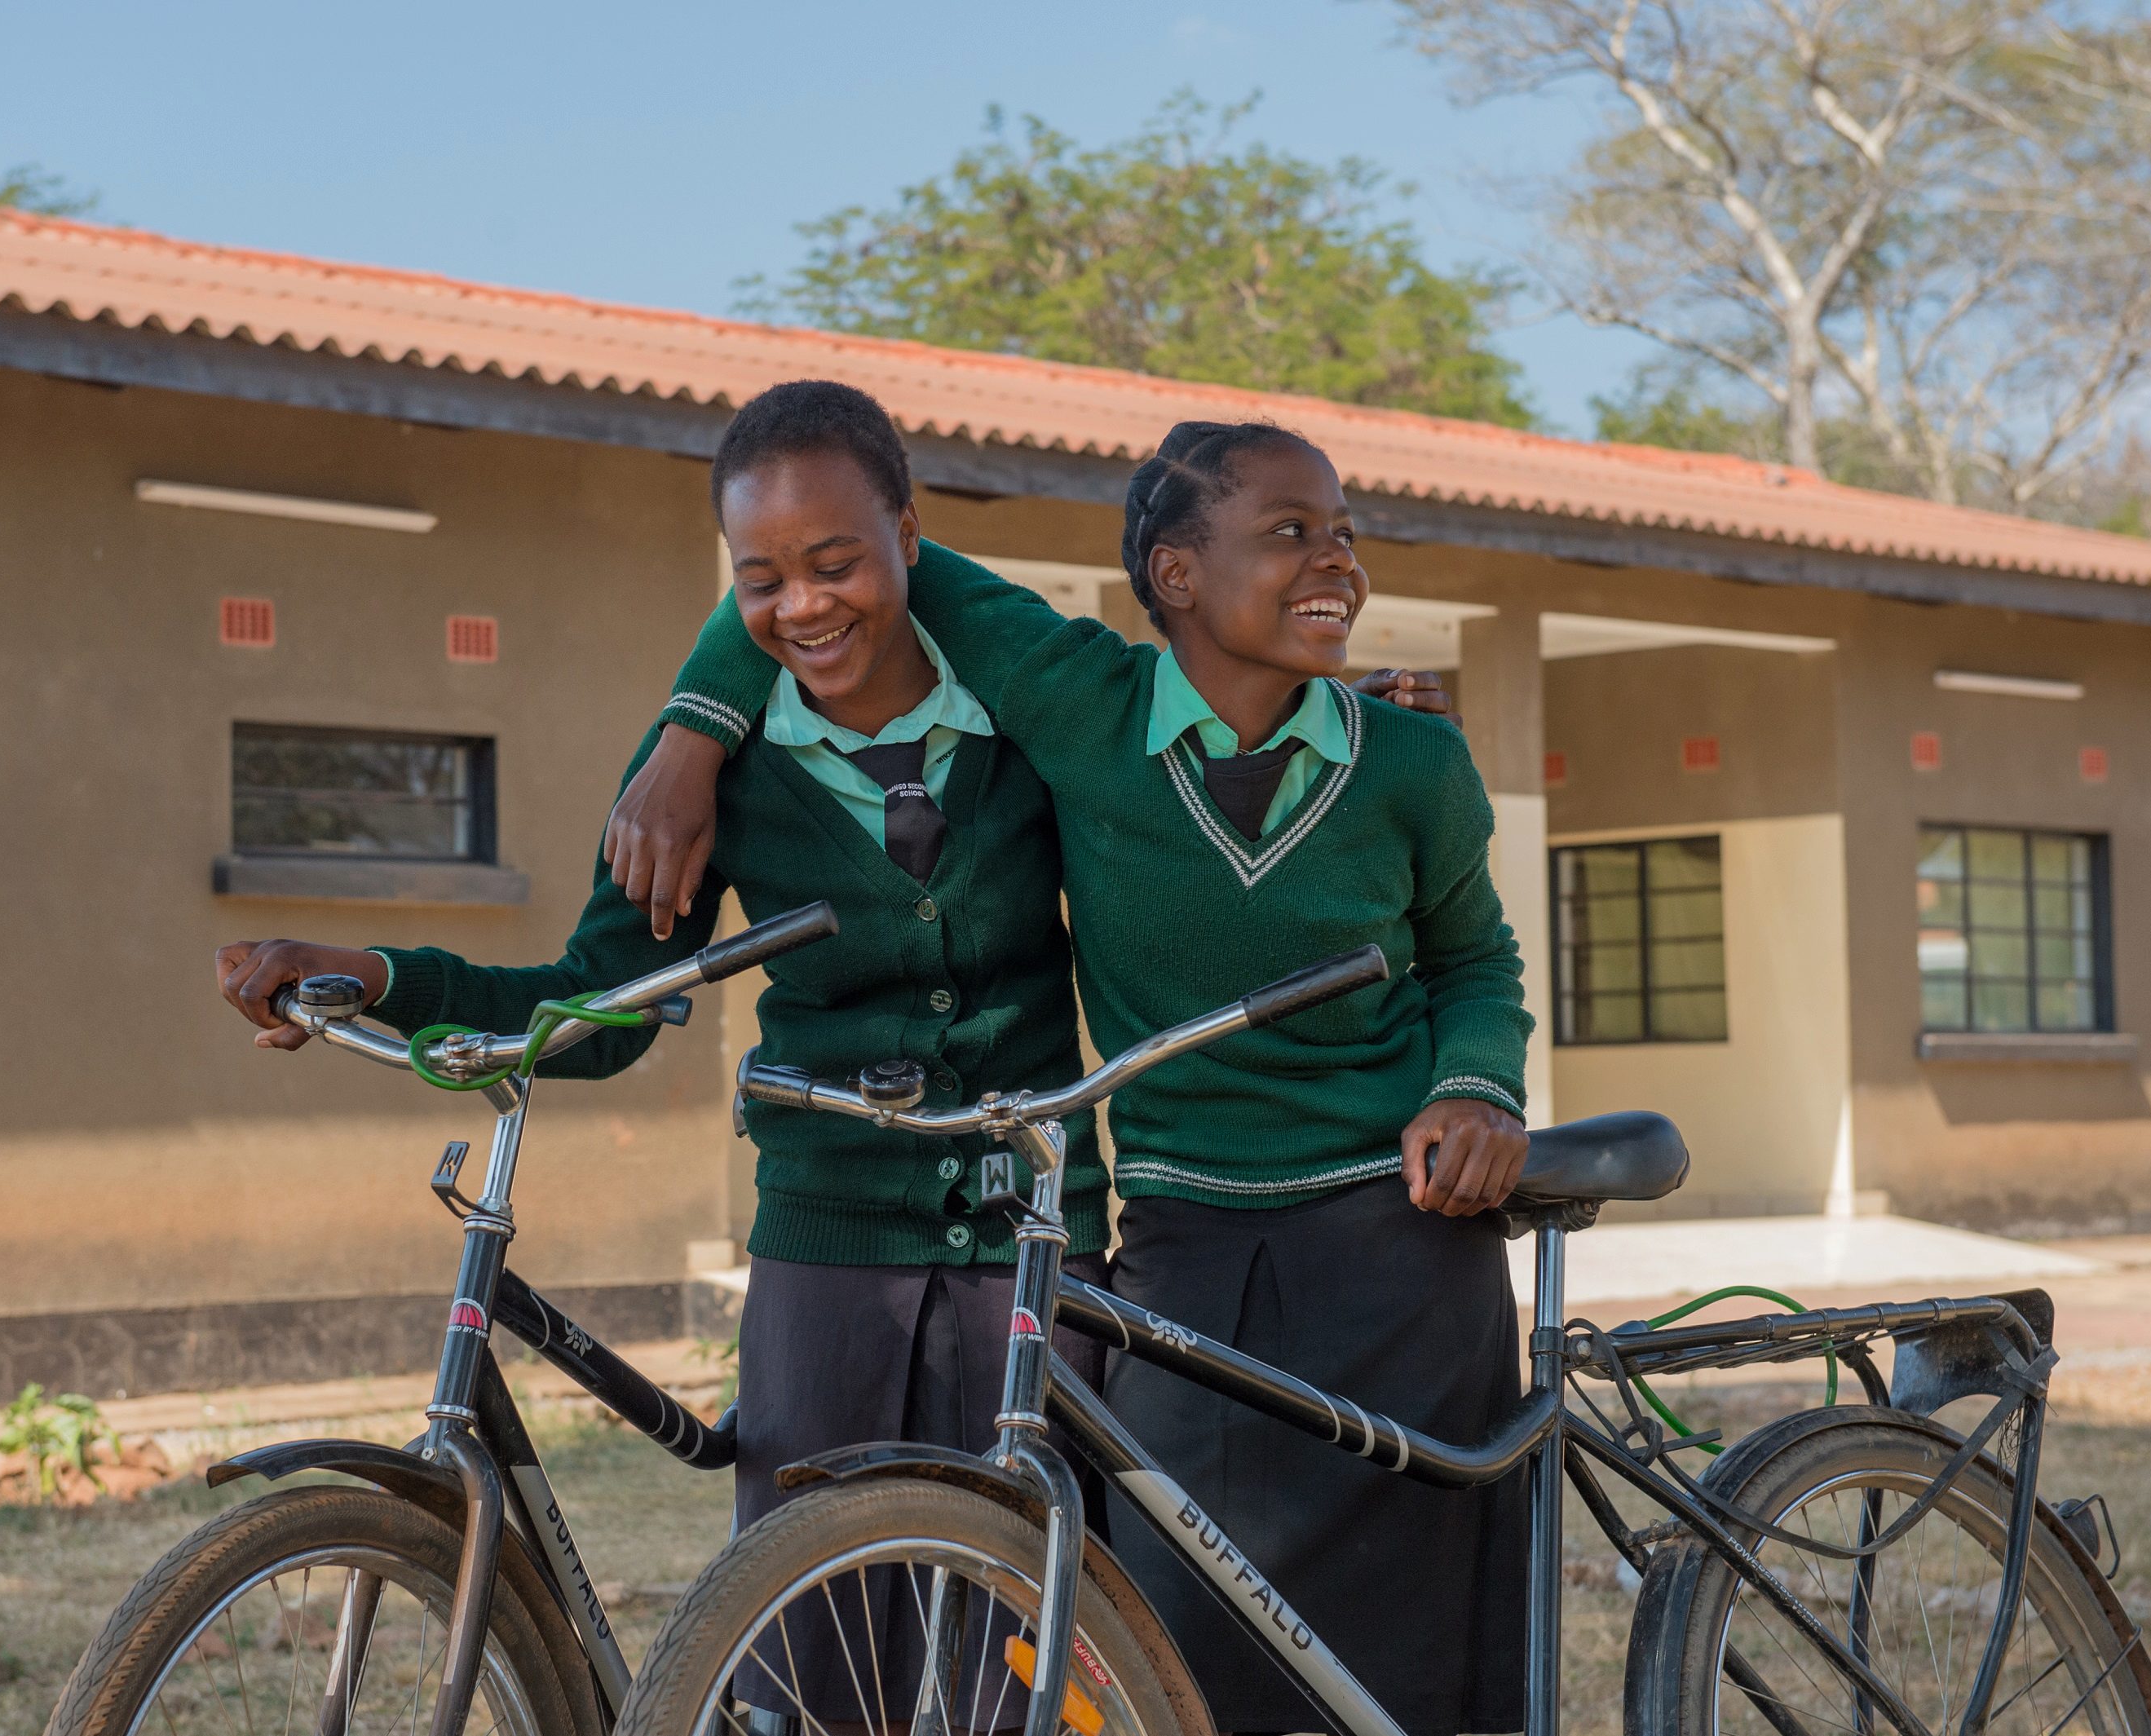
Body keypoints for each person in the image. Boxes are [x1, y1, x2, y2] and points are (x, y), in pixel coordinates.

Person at [215, 380, 1120, 1729]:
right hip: (830, 1241)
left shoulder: (1031, 714)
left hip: (1041, 1228)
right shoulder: (711, 769)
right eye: (759, 578)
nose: (803, 605)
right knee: (803, 1659)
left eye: (835, 562)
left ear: (908, 536)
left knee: (1040, 1661)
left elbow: (1193, 751)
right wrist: (387, 976)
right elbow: (596, 998)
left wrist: (1360, 728)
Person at [616, 417, 1533, 1736]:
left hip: (1402, 1244)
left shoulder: (1411, 761)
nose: (1336, 558)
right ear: (1172, 573)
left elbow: (1475, 962)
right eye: (1291, 531)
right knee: (1164, 1631)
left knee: (1421, 1647)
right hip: (1182, 1250)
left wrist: (1478, 1089)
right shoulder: (1078, 706)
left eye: (1344, 533)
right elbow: (850, 563)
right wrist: (692, 731)